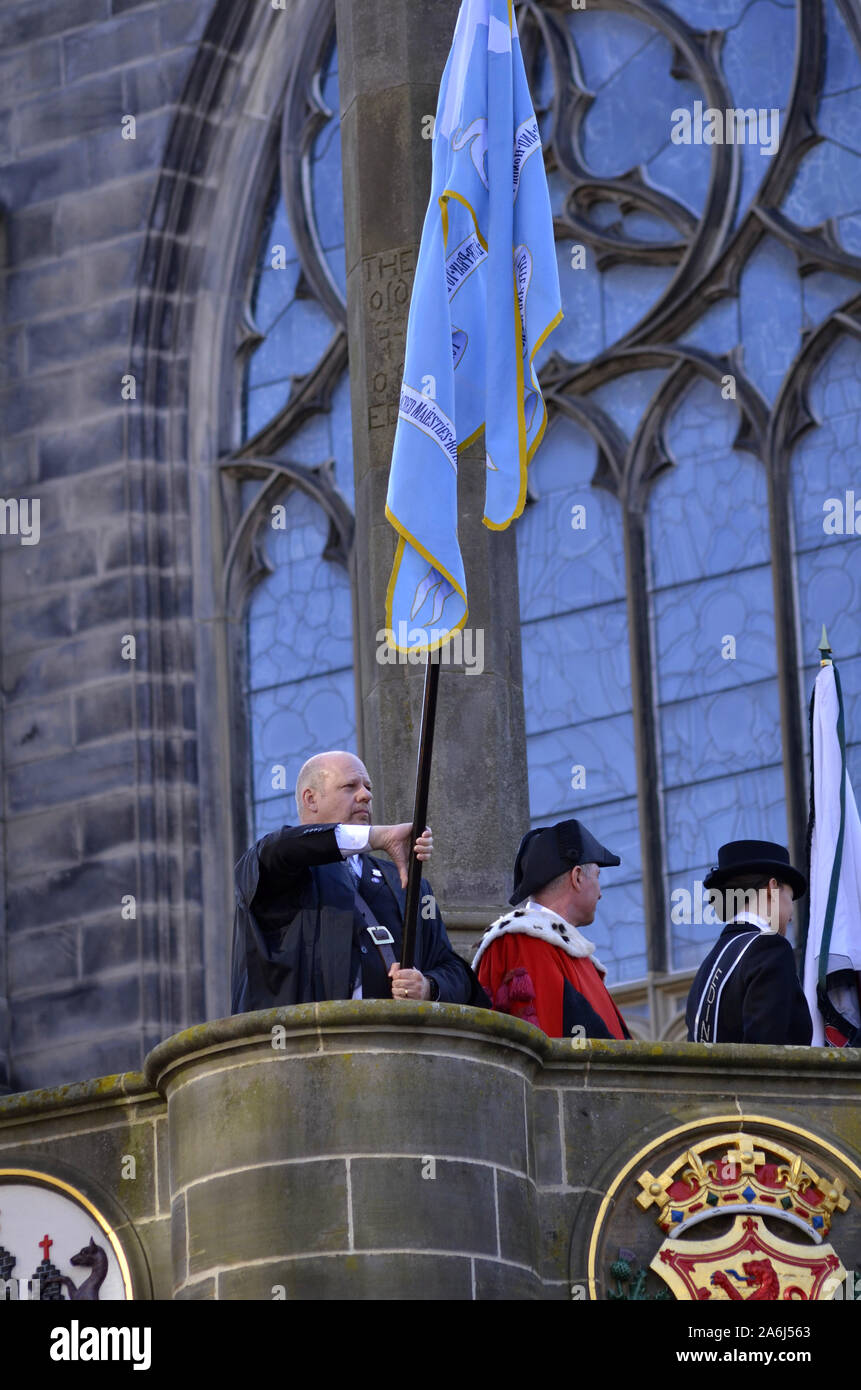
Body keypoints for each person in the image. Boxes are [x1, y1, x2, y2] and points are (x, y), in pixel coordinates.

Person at [231, 749, 486, 1011]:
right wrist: (376, 837)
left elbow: (454, 970)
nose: (366, 795)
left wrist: (428, 986)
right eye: (349, 786)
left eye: (367, 787)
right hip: (303, 1043)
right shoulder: (276, 872)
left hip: (394, 1044)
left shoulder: (408, 883)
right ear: (311, 799)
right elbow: (280, 849)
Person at [472, 819, 630, 1040]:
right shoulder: (522, 942)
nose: (600, 892)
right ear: (576, 877)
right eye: (597, 877)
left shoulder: (567, 951)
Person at [686, 839, 813, 1045]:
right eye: (790, 898)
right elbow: (767, 1050)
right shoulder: (771, 948)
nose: (791, 916)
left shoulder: (708, 965)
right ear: (772, 888)